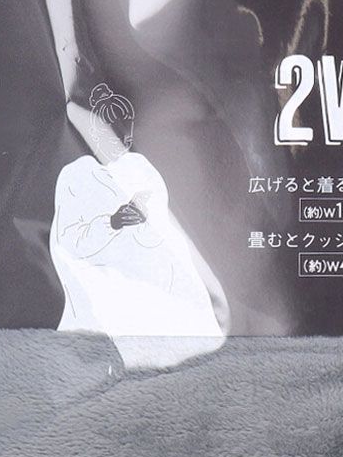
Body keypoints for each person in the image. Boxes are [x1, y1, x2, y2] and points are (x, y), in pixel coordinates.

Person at [49, 83, 228, 367]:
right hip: (101, 307)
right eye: (111, 131)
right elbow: (70, 242)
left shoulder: (140, 170)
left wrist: (144, 222)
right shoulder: (78, 175)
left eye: (126, 131)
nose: (122, 139)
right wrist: (113, 222)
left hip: (154, 306)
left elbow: (163, 240)